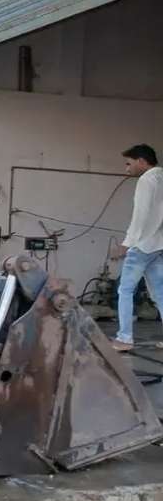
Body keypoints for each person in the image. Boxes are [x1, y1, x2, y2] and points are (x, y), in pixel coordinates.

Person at [111, 144, 163, 351]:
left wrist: (127, 243)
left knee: (125, 290)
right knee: (160, 293)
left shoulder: (146, 180)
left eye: (129, 163)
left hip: (141, 246)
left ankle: (124, 338)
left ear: (141, 161)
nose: (127, 168)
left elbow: (140, 214)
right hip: (157, 245)